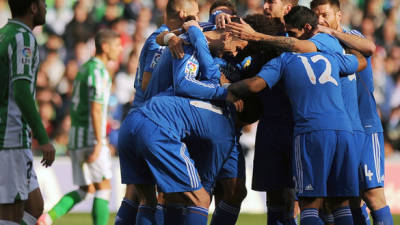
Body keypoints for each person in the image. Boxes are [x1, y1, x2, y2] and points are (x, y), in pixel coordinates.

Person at [228, 31, 367, 225]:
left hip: (311, 130)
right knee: (341, 204)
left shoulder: (285, 59)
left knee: (309, 205)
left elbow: (256, 85)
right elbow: (361, 60)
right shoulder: (332, 56)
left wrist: (228, 90)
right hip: (344, 130)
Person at [114, 1, 201, 224]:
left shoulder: (165, 37)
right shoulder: (162, 40)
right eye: (196, 13)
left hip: (138, 120)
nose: (198, 17)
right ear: (183, 14)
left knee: (140, 196)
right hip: (152, 122)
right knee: (163, 195)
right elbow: (147, 82)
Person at [310, 0, 394, 224]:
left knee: (373, 195)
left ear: (338, 15)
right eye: (315, 15)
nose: (320, 20)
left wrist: (330, 32)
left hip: (365, 128)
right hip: (338, 131)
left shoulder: (351, 36)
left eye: (325, 14)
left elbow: (369, 48)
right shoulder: (316, 44)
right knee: (345, 199)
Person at [37, 30, 122, 225]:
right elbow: (96, 110)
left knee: (86, 189)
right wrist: (99, 142)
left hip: (76, 136)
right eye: (117, 45)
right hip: (90, 137)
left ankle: (46, 219)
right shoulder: (100, 72)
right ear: (106, 47)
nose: (120, 50)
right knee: (104, 186)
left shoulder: (84, 69)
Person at [0, 0, 56, 225]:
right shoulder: (23, 38)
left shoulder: (4, 34)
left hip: (12, 137)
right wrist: (43, 138)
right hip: (10, 137)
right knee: (10, 214)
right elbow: (22, 91)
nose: (45, 7)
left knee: (35, 207)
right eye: (42, 2)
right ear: (33, 8)